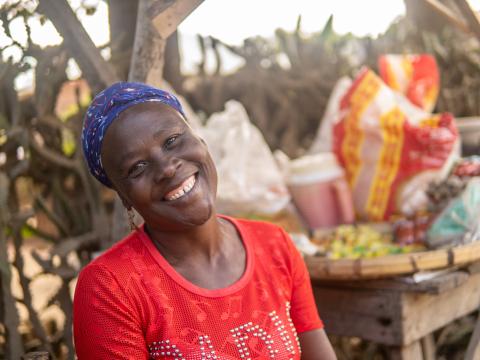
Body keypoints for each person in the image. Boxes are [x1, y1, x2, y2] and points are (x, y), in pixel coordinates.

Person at [73, 82, 337, 359]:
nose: (167, 168)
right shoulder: (110, 287)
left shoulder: (274, 245)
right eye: (137, 167)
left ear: (202, 142)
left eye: (172, 141)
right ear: (124, 196)